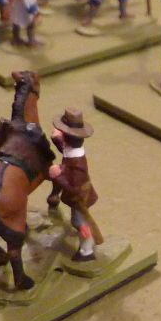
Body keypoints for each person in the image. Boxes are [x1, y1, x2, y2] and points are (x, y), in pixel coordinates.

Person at [47, 108, 100, 262]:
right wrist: (56, 139)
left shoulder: (77, 163)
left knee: (79, 222)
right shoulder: (72, 152)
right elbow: (64, 151)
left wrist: (58, 176)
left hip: (80, 197)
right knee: (79, 221)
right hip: (78, 195)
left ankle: (86, 251)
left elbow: (74, 187)